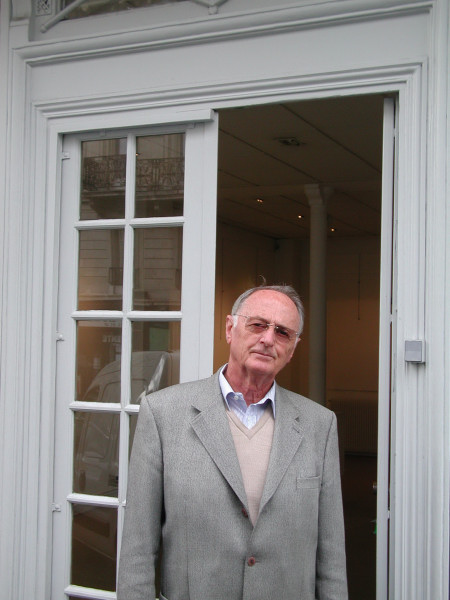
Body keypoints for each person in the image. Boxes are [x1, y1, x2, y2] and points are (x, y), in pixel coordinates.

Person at [118, 284, 348, 600]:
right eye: (258, 325)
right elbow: (137, 552)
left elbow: (331, 559)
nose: (268, 339)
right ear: (230, 329)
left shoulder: (319, 426)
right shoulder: (163, 414)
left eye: (282, 332)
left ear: (293, 349)